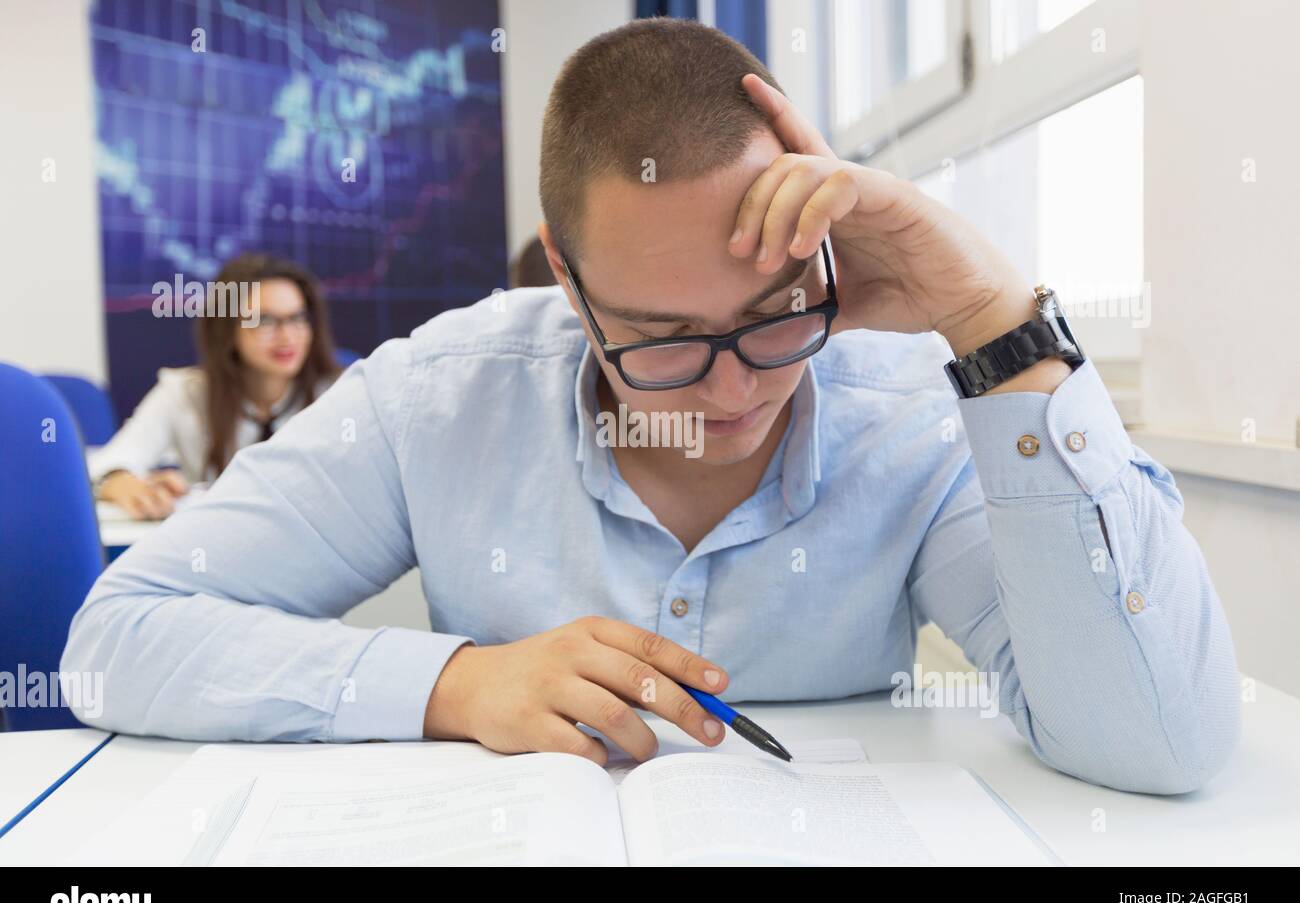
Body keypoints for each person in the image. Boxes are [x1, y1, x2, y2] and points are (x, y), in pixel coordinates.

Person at [66, 20, 1238, 795]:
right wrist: (455, 682)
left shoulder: (907, 403)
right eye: (665, 341)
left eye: (777, 311)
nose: (734, 391)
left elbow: (1158, 743)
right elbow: (117, 641)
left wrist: (992, 318)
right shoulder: (440, 396)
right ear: (567, 287)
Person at [89, 254, 341, 518]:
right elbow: (109, 462)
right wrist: (122, 482)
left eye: (297, 318)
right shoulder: (186, 392)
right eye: (264, 320)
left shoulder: (337, 392)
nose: (287, 336)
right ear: (228, 329)